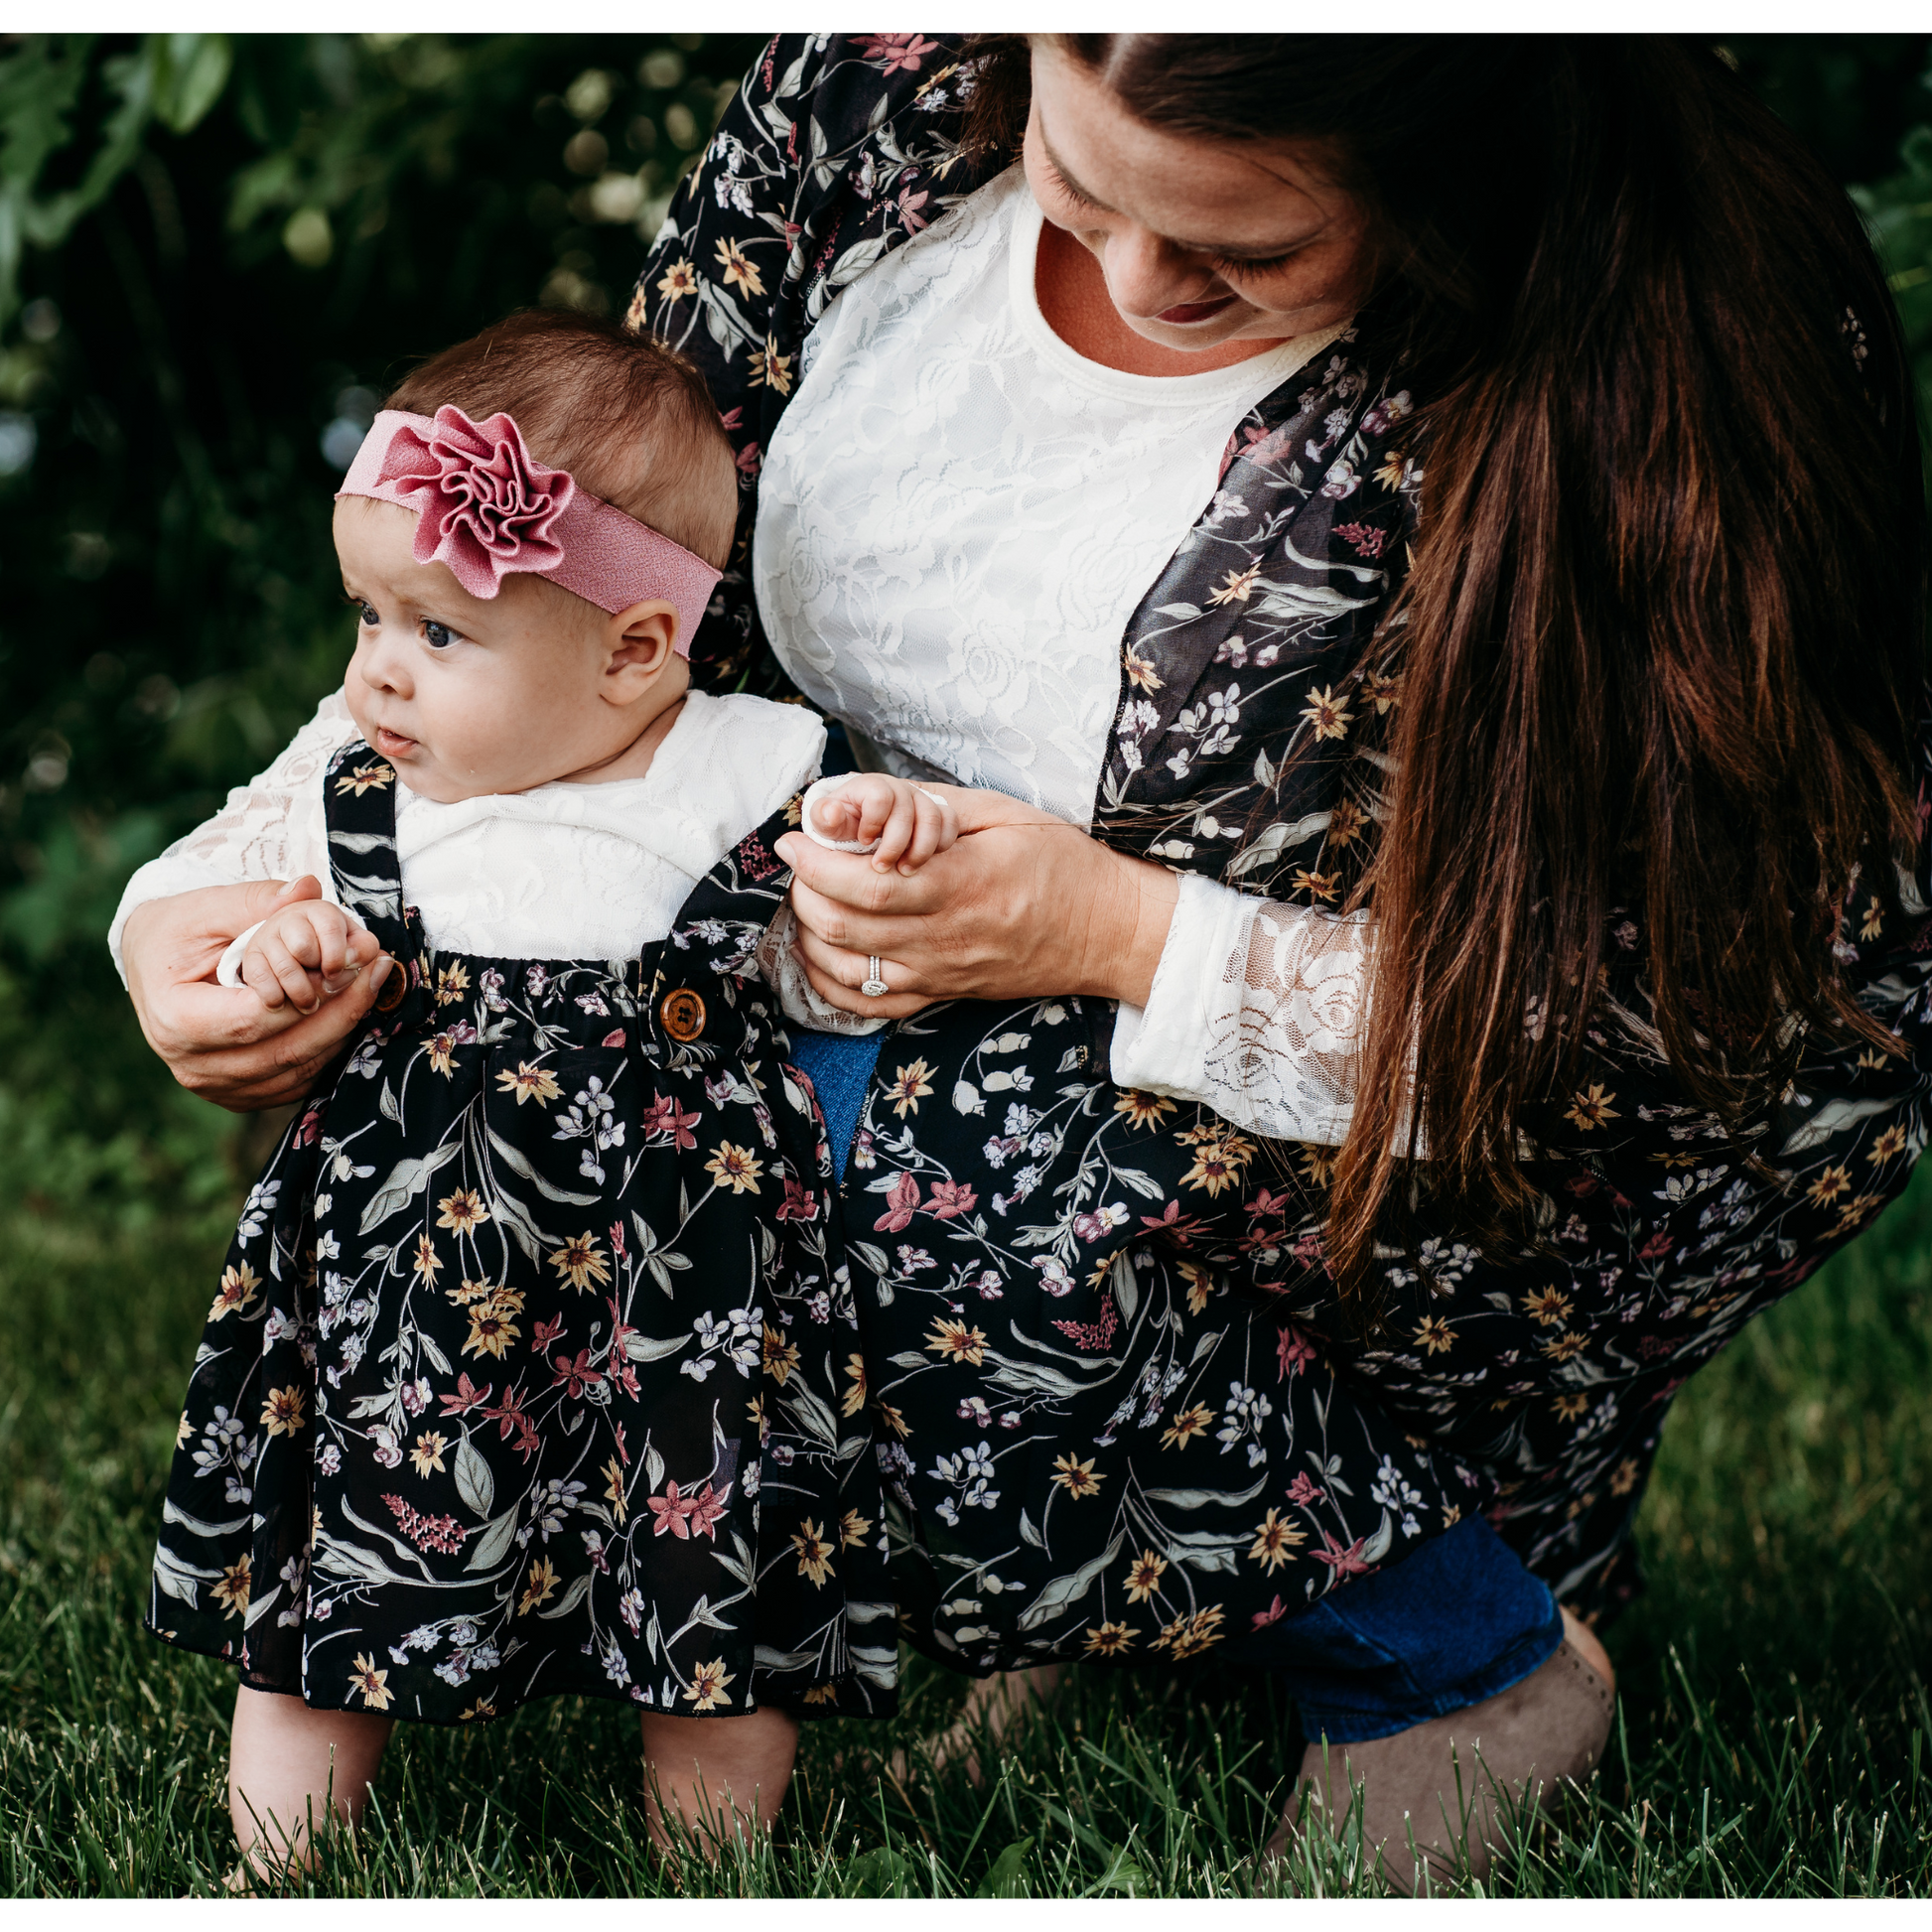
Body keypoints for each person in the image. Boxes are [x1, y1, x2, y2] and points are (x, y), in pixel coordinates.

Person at [118, 33, 1931, 1891]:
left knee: (793, 1170)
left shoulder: (1646, 375)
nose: (1138, 279)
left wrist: (1105, 924)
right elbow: (586, 562)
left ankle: (1445, 1658)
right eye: (1079, 191)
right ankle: (1098, 1588)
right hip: (883, 980)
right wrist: (199, 900)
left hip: (1418, 1091)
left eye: (1241, 259)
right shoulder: (886, 85)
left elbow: (1621, 1024)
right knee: (555, 1092)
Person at [109, 308, 962, 1878]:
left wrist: (875, 887)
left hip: (687, 1284)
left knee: (709, 1587)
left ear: (636, 651)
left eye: (437, 632)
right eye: (366, 615)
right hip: (411, 1289)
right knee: (334, 1579)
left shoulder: (752, 776)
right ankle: (272, 1860)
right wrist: (274, 957)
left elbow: (837, 984)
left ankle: (713, 1864)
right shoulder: (366, 787)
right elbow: (221, 927)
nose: (377, 672)